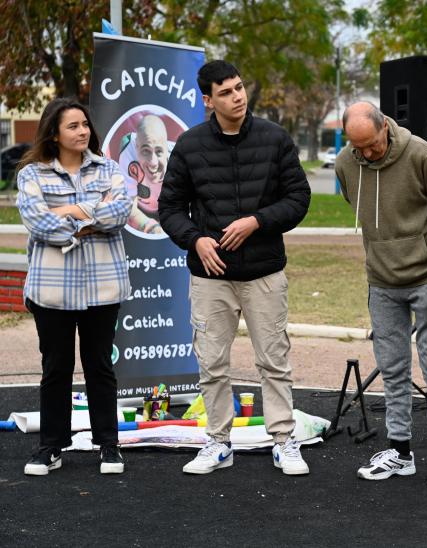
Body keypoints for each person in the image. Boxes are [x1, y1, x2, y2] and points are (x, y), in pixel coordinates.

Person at [159, 60, 311, 475]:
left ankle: (284, 439)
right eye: (225, 92)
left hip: (264, 272)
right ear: (207, 100)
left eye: (240, 87)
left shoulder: (274, 138)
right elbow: (169, 208)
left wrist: (257, 221)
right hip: (210, 278)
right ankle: (218, 442)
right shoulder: (189, 146)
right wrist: (196, 239)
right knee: (212, 364)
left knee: (274, 362)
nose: (237, 97)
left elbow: (299, 199)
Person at [335, 102, 427, 489]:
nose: (368, 154)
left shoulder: (422, 153)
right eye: (360, 149)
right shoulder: (346, 162)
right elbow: (355, 203)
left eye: (373, 145)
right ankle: (401, 452)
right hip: (381, 279)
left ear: (385, 127)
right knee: (392, 368)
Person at [16, 97, 133, 476]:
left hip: (103, 287)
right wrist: (93, 212)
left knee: (100, 366)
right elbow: (39, 224)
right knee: (56, 367)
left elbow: (121, 211)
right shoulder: (32, 175)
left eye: (85, 124)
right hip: (53, 290)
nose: (82, 131)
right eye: (73, 126)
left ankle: (108, 445)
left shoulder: (109, 168)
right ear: (54, 133)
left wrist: (66, 211)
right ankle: (51, 446)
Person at [118, 114, 170, 234]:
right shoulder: (128, 150)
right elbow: (127, 205)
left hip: (168, 210)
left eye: (159, 152)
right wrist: (151, 227)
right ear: (136, 147)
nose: (153, 162)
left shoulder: (178, 159)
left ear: (167, 149)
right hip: (139, 208)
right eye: (146, 151)